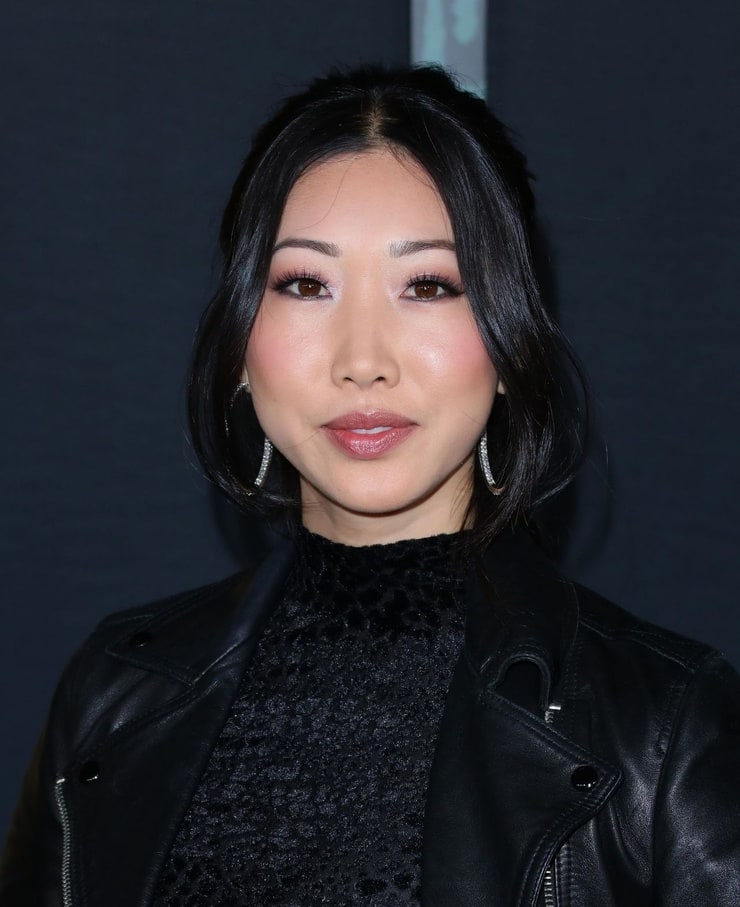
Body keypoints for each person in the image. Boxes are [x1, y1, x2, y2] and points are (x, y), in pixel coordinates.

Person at [1, 64, 738, 907]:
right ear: (239, 344)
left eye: (427, 285)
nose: (362, 360)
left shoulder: (668, 732)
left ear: (510, 344)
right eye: (305, 284)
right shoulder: (112, 694)